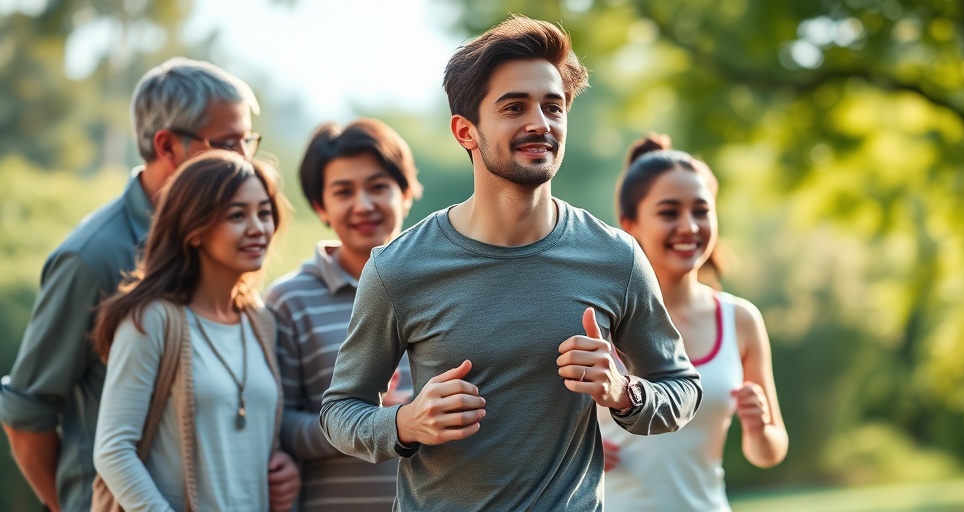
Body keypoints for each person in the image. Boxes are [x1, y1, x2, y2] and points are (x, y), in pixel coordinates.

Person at [319, 15, 703, 511]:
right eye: (514, 107)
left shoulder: (615, 257)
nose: (540, 123)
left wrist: (625, 391)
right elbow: (340, 410)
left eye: (553, 106)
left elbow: (682, 388)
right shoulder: (399, 268)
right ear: (465, 131)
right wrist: (404, 423)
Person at [0, 57, 297, 511]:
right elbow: (27, 412)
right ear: (166, 145)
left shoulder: (241, 281)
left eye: (247, 142)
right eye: (227, 143)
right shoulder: (92, 257)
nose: (244, 160)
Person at [91, 151, 292, 511]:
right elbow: (113, 450)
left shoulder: (261, 321)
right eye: (237, 215)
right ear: (195, 229)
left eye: (264, 213)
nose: (258, 228)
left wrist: (281, 469)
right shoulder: (152, 320)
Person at [599, 134, 789, 511]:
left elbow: (769, 450)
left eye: (701, 211)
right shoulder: (597, 319)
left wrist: (759, 427)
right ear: (630, 224)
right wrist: (575, 450)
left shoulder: (740, 319)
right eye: (669, 213)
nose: (688, 226)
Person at [264, 118, 423, 511]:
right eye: (343, 191)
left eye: (378, 187)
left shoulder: (443, 287)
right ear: (320, 206)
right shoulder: (289, 301)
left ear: (405, 193)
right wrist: (379, 420)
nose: (363, 205)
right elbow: (276, 427)